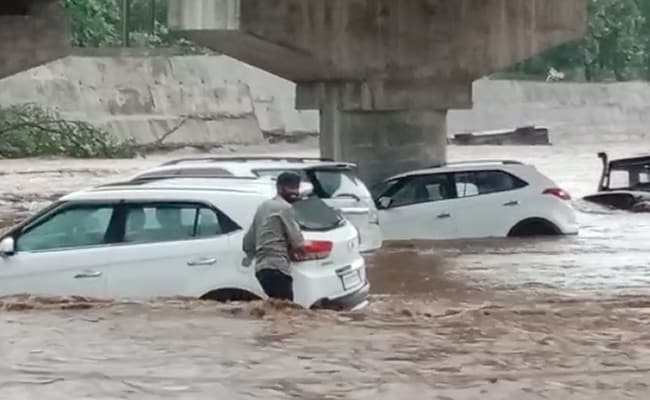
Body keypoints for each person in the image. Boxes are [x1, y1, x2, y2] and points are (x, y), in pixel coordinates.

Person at [243, 171, 305, 301]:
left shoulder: (263, 207)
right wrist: (300, 253)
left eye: (296, 187)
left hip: (261, 270)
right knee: (288, 312)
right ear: (279, 187)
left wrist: (250, 257)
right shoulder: (285, 208)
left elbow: (248, 242)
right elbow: (298, 242)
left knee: (278, 309)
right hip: (278, 269)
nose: (295, 191)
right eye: (291, 187)